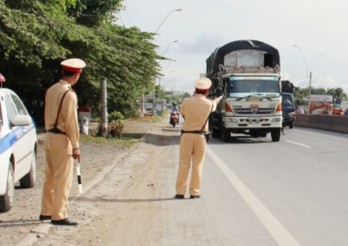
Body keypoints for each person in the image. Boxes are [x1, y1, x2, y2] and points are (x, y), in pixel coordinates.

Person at [40, 58, 86, 226]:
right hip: (61, 138)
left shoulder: (51, 90)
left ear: (63, 72)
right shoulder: (69, 94)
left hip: (48, 136)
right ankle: (59, 214)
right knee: (63, 178)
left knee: (49, 176)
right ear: (76, 75)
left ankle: (46, 210)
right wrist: (76, 146)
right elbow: (71, 122)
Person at [175, 77, 222, 199]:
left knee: (183, 164)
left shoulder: (186, 101)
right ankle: (194, 192)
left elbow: (183, 114)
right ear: (207, 91)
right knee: (197, 165)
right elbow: (214, 104)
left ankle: (180, 192)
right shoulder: (209, 104)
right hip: (200, 136)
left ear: (195, 90)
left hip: (186, 135)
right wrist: (218, 98)